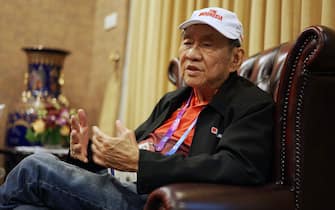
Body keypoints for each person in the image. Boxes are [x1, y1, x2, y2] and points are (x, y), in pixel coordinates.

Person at [0, 7, 274, 210]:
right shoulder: (175, 100)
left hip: (150, 198)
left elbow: (238, 168)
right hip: (121, 183)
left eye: (207, 44)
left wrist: (140, 162)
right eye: (188, 42)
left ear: (235, 58)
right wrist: (86, 155)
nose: (191, 53)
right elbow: (132, 149)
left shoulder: (251, 105)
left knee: (35, 167)